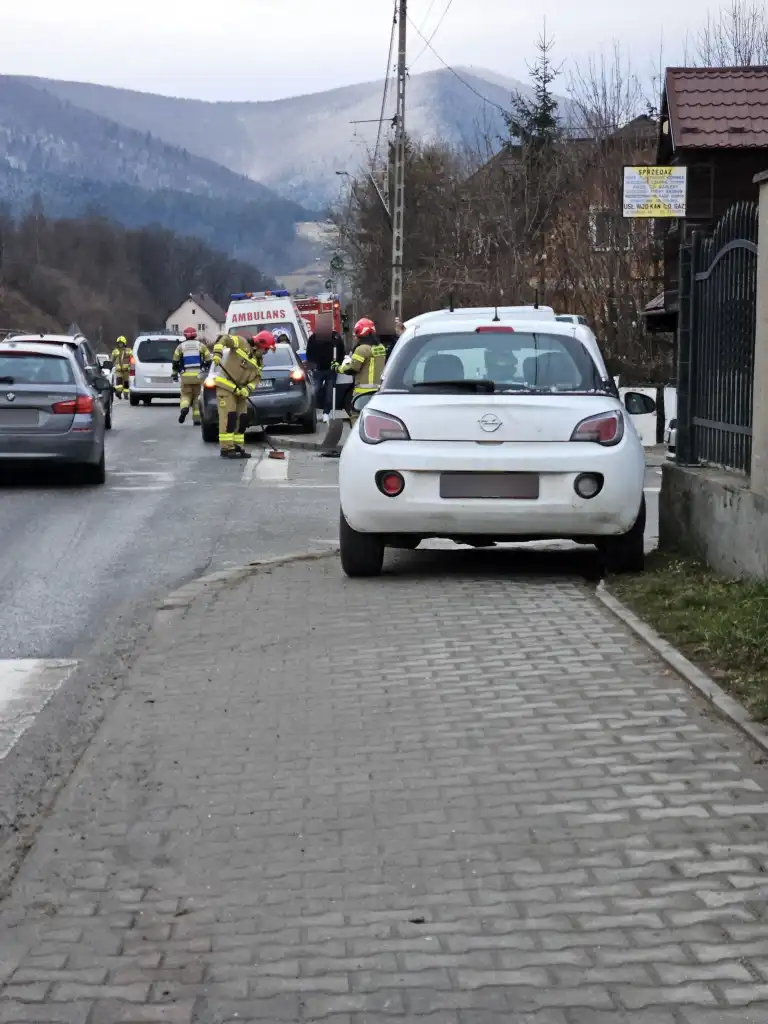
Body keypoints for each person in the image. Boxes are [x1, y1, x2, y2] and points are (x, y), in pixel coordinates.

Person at [212, 330, 274, 459]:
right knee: (229, 417)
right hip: (226, 388)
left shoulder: (259, 361)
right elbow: (224, 339)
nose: (266, 352)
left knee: (242, 419)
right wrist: (217, 353)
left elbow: (256, 378)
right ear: (259, 344)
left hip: (240, 392)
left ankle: (238, 446)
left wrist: (247, 389)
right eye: (266, 349)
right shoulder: (241, 342)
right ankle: (227, 448)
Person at [339, 318, 387, 426]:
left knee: (356, 417)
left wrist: (339, 368)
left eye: (356, 333)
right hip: (378, 390)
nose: (355, 336)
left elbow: (353, 368)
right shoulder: (381, 348)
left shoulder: (362, 349)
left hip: (363, 392)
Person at [172, 327, 211, 425]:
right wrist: (204, 369)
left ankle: (184, 408)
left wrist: (175, 373)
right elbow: (209, 360)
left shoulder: (180, 347)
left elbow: (175, 362)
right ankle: (197, 420)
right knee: (197, 398)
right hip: (198, 377)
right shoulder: (201, 346)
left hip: (186, 377)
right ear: (195, 335)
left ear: (185, 335)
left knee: (185, 396)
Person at [306, 324, 345, 423]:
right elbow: (309, 352)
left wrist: (338, 364)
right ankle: (312, 412)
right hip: (318, 370)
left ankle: (326, 413)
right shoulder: (313, 338)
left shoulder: (335, 337)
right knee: (315, 391)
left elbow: (341, 351)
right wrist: (313, 366)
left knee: (329, 392)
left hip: (331, 370)